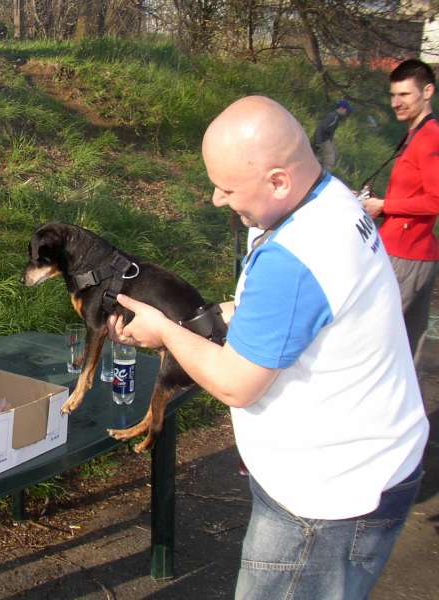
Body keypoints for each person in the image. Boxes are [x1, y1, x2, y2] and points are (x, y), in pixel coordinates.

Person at [109, 96, 428, 599]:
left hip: (325, 504)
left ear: (278, 180)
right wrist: (201, 321)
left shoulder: (297, 257)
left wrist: (167, 333)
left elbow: (237, 384)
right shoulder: (329, 198)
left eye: (228, 188)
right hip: (372, 464)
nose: (217, 199)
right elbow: (282, 311)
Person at [362, 59, 439, 361]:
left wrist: (385, 205)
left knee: (379, 340)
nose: (396, 102)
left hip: (407, 253)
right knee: (405, 345)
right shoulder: (415, 135)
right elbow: (415, 193)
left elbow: (435, 199)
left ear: (427, 92)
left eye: (405, 94)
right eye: (393, 95)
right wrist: (380, 205)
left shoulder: (430, 137)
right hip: (409, 250)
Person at [312, 98, 352, 169]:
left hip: (325, 139)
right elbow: (320, 128)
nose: (346, 113)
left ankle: (315, 165)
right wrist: (318, 142)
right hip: (322, 140)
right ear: (342, 109)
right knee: (330, 159)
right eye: (346, 111)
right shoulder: (333, 117)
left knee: (334, 152)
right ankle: (323, 173)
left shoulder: (335, 117)